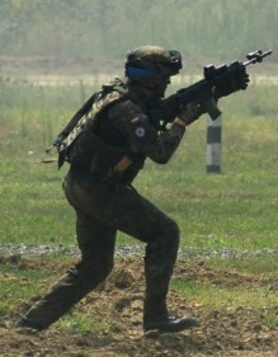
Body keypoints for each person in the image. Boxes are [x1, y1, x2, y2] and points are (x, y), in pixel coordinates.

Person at [15, 46, 248, 333]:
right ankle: (156, 318)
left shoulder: (122, 95)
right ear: (150, 78)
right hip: (99, 191)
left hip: (82, 184)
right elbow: (160, 152)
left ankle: (29, 324)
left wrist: (212, 93)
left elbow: (164, 110)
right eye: (164, 77)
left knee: (95, 267)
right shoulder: (127, 110)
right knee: (165, 233)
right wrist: (182, 122)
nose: (167, 84)